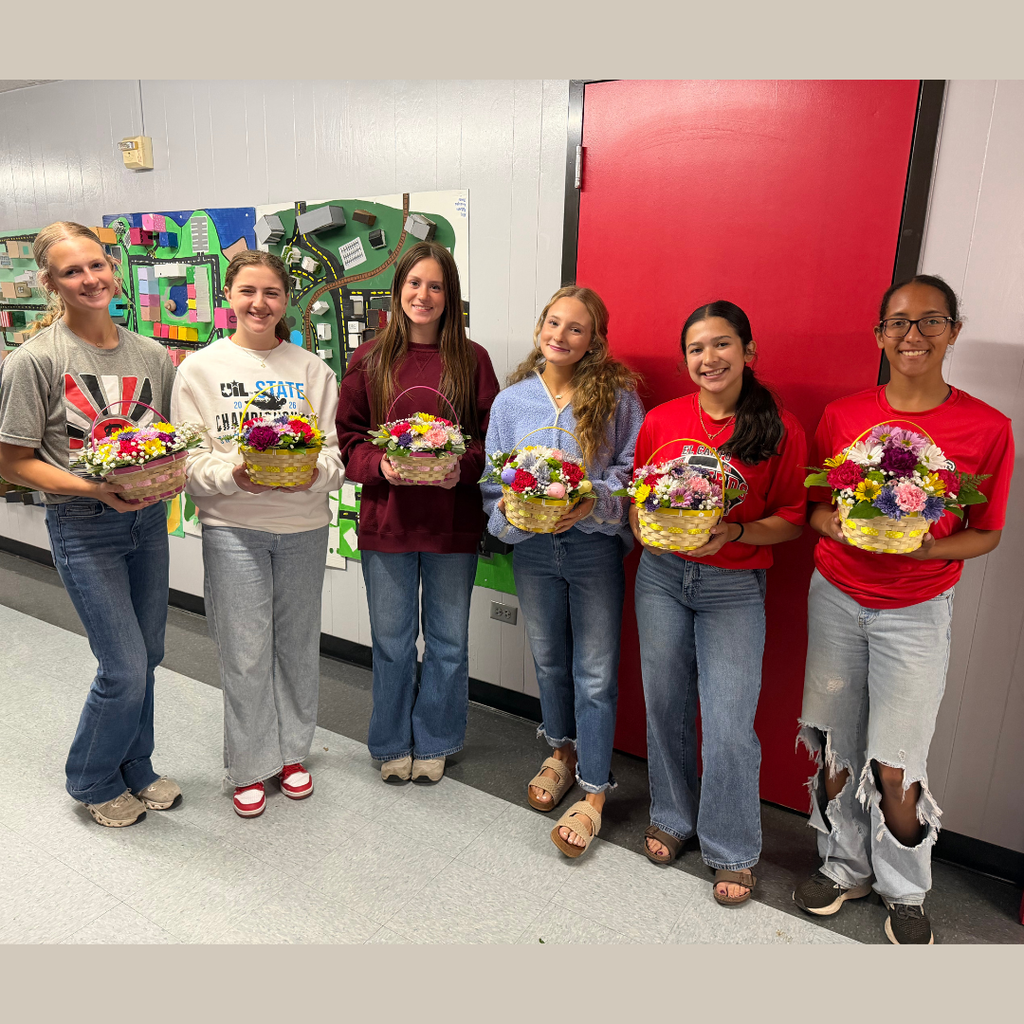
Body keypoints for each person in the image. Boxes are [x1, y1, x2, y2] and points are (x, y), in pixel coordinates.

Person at [793, 275, 1014, 944]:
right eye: (898, 323)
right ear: (880, 335)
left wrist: (920, 551)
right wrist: (834, 527)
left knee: (896, 763)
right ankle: (842, 865)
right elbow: (817, 509)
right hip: (836, 597)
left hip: (916, 612)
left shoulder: (986, 428)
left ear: (954, 330)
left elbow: (988, 531)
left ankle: (906, 887)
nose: (912, 336)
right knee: (835, 746)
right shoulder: (843, 415)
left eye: (929, 321)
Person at [0, 221, 180, 827]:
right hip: (83, 526)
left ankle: (138, 766)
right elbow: (13, 462)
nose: (89, 279)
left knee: (149, 653)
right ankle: (92, 776)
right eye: (72, 271)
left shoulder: (152, 354)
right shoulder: (35, 361)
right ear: (51, 283)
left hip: (148, 523)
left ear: (114, 269)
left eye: (97, 266)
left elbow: (161, 439)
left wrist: (165, 475)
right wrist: (95, 489)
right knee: (123, 665)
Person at [632, 300, 806, 904]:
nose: (709, 358)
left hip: (733, 588)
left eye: (722, 344)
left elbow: (791, 518)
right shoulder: (661, 421)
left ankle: (731, 847)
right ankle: (674, 817)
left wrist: (733, 531)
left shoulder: (778, 427)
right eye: (697, 349)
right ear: (686, 361)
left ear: (748, 351)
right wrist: (646, 525)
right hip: (661, 577)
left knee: (729, 723)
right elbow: (639, 498)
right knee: (666, 704)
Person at [170, 250, 344, 818]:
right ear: (229, 297)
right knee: (244, 653)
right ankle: (250, 763)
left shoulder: (312, 370)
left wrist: (311, 474)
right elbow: (189, 461)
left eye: (271, 293)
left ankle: (293, 753)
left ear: (285, 299)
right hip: (233, 528)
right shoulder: (199, 370)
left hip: (303, 527)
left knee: (296, 647)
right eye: (248, 291)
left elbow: (336, 458)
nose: (259, 304)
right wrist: (236, 475)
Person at [482, 286, 644, 858]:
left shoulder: (619, 399)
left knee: (595, 671)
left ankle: (596, 787)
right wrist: (506, 514)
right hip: (531, 550)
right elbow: (490, 483)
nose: (561, 335)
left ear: (594, 340)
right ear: (538, 328)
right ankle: (561, 750)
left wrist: (592, 498)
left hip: (593, 550)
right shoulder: (510, 403)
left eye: (577, 328)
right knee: (549, 659)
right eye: (554, 323)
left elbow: (631, 474)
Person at [336, 241, 499, 784]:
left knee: (449, 643)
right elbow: (350, 439)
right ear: (397, 289)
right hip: (388, 524)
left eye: (435, 286)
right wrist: (381, 466)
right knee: (391, 641)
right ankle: (389, 743)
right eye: (413, 284)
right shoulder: (370, 358)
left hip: (451, 524)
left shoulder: (471, 360)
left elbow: (488, 443)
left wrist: (464, 469)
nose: (423, 295)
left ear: (449, 294)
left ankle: (436, 738)